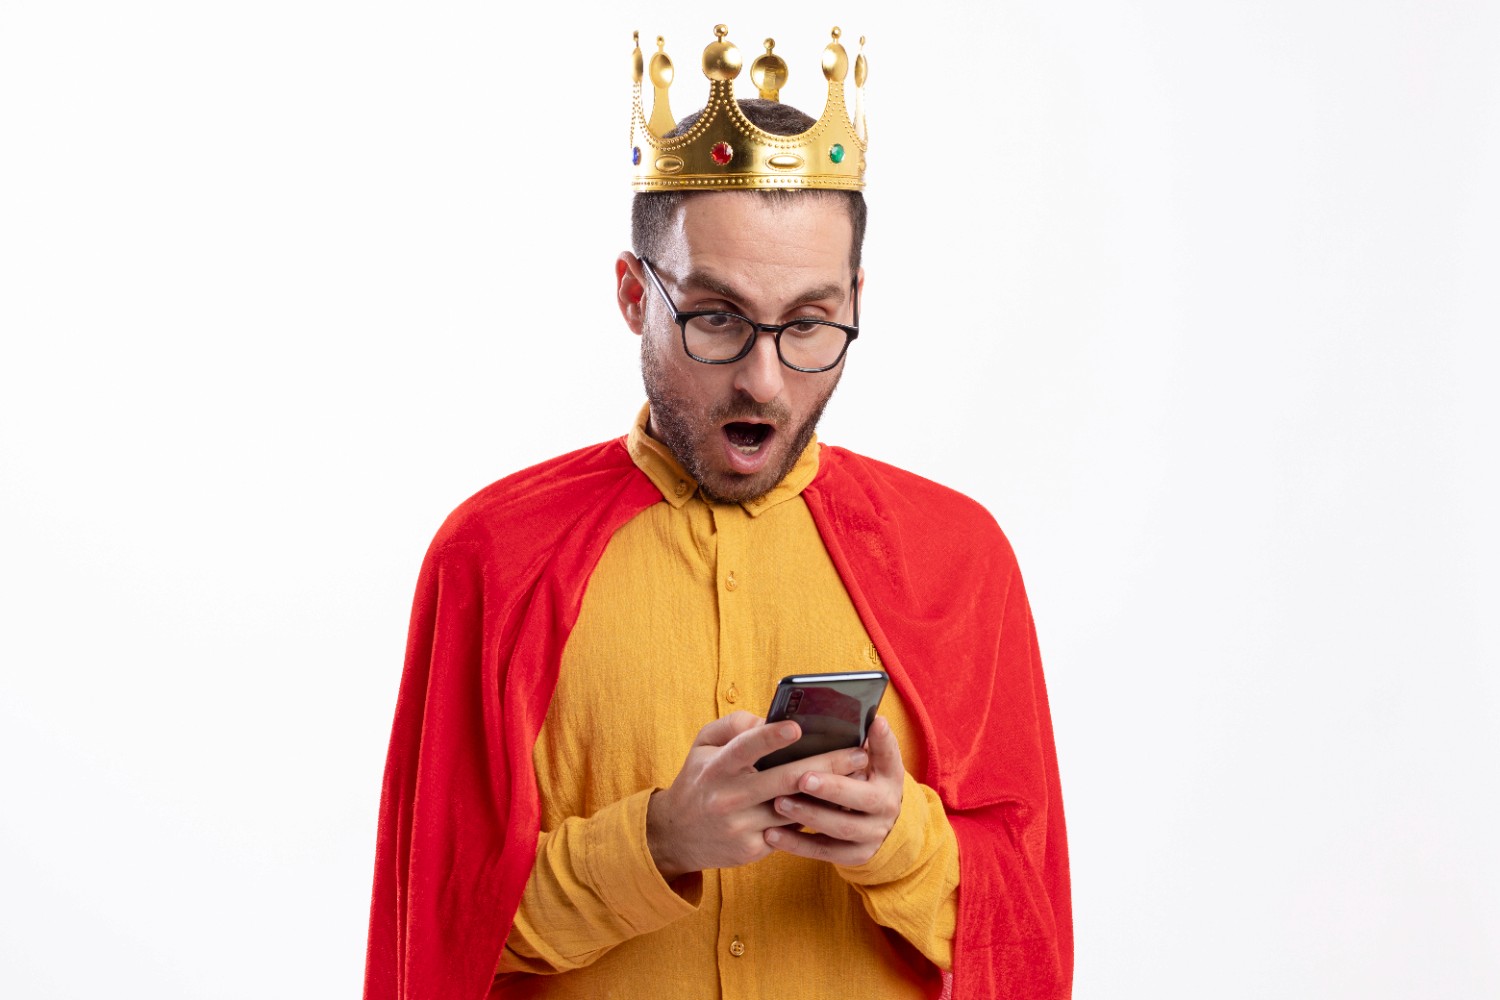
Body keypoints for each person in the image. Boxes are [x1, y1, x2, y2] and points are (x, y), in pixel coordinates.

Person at [364, 25, 1071, 1000]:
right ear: (632, 294)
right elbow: (433, 934)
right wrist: (656, 841)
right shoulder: (491, 558)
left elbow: (1029, 932)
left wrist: (897, 842)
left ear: (855, 298)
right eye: (716, 318)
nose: (765, 380)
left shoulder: (958, 560)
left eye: (811, 324)